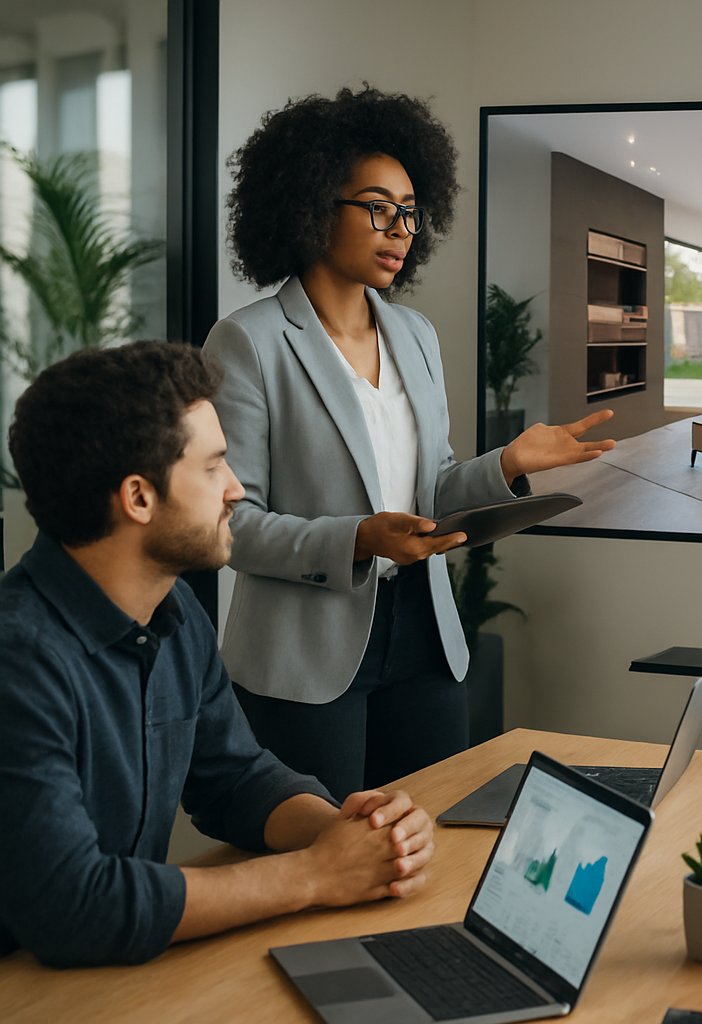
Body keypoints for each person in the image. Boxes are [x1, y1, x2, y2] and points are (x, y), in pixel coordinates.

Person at [204, 86, 615, 800]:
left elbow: (434, 491)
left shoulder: (416, 337)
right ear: (310, 204)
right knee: (323, 870)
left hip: (423, 634)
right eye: (378, 208)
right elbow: (232, 526)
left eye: (411, 213)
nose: (401, 231)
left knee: (428, 844)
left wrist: (510, 464)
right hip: (308, 655)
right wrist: (358, 539)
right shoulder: (249, 341)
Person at [0, 342, 435, 968]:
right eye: (213, 467)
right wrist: (313, 876)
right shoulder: (19, 659)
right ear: (138, 498)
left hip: (110, 978)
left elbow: (235, 779)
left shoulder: (173, 615)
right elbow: (75, 905)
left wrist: (347, 832)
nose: (236, 491)